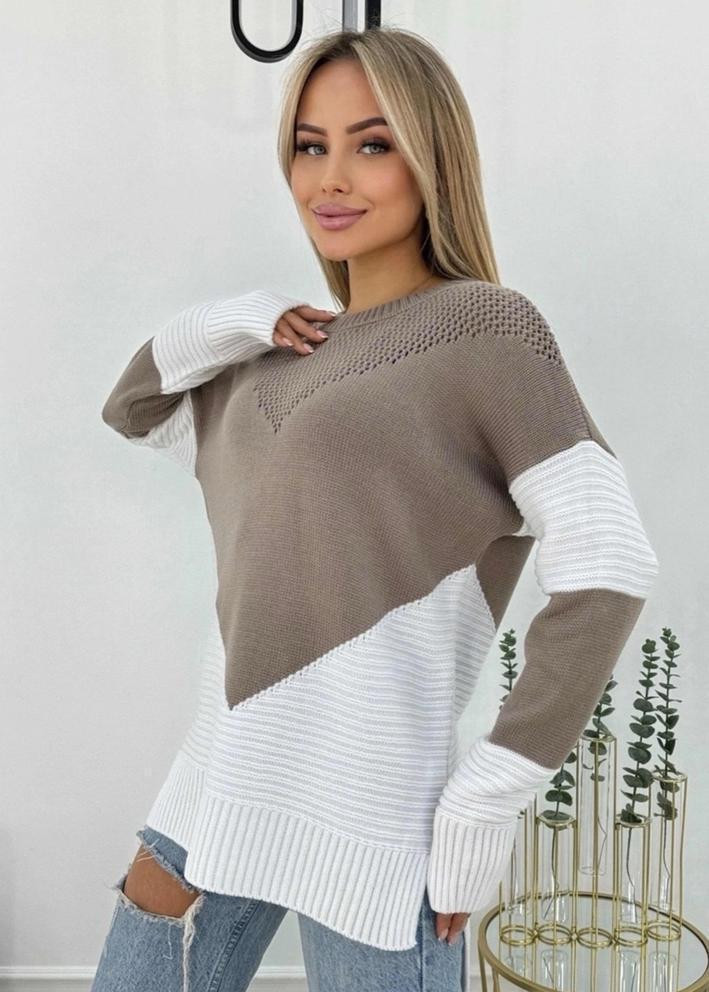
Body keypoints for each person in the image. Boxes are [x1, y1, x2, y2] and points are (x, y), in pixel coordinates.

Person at [91, 25, 659, 992]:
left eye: (372, 143)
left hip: (373, 823)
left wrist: (488, 796)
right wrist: (240, 317)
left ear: (430, 156)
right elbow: (133, 407)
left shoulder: (485, 329)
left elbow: (609, 564)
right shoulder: (272, 362)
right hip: (217, 781)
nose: (332, 178)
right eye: (309, 146)